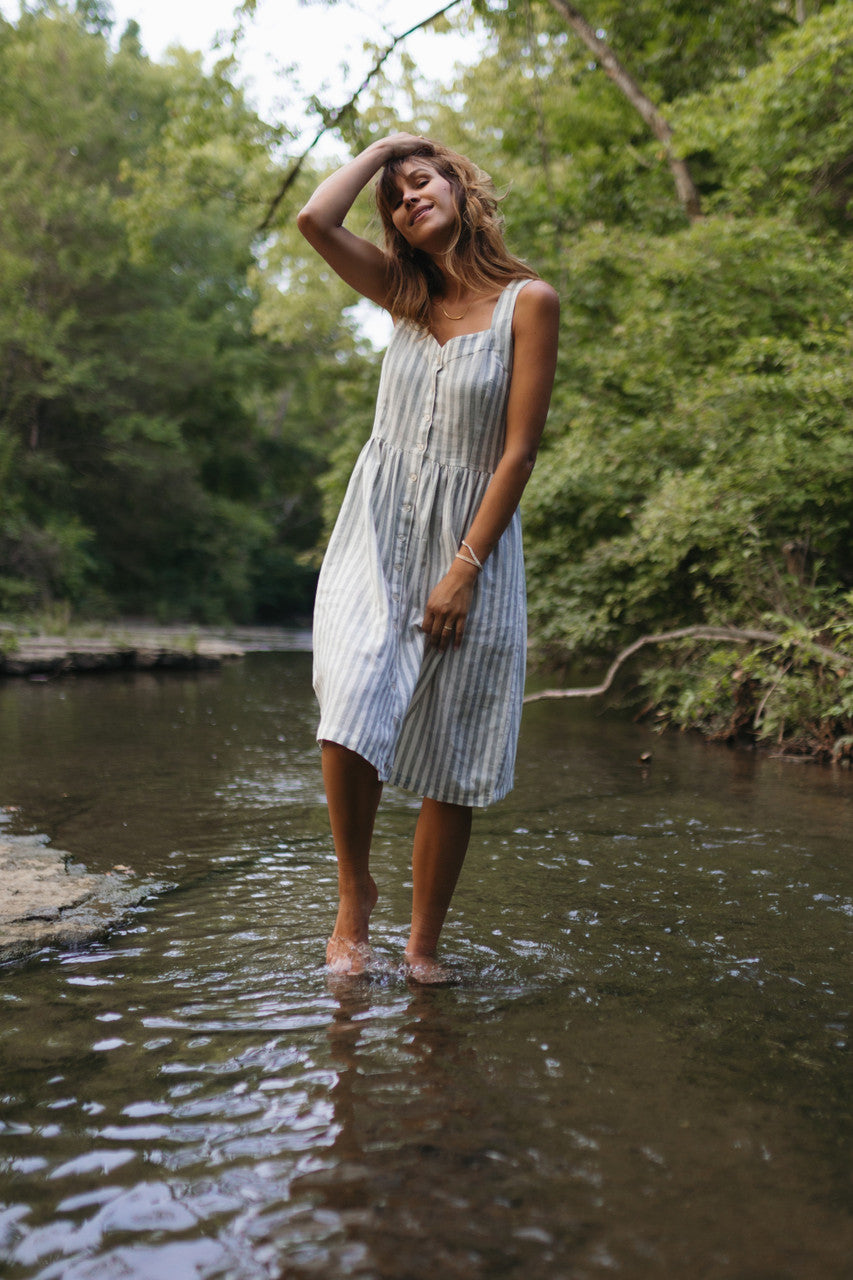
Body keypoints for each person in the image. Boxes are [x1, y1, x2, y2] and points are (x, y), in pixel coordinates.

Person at [297, 133, 559, 983]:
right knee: (349, 703)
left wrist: (464, 567)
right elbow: (311, 218)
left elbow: (517, 453)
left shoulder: (529, 303)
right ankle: (353, 895)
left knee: (451, 745)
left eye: (421, 181)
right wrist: (380, 150)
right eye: (396, 198)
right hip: (377, 530)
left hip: (472, 540)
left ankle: (422, 947)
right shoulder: (400, 293)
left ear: (459, 187)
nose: (408, 198)